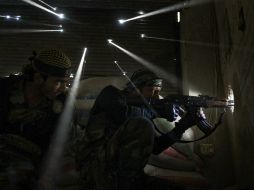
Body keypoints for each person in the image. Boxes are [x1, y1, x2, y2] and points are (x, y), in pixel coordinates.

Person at [75, 69, 208, 190]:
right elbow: (121, 114)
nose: (156, 96)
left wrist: (182, 126)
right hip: (96, 168)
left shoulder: (141, 113)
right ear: (135, 88)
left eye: (158, 91)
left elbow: (155, 147)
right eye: (153, 90)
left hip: (127, 177)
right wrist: (155, 111)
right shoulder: (110, 94)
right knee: (143, 124)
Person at [0, 49, 77, 189]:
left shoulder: (61, 103)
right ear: (38, 78)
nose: (63, 88)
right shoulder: (4, 90)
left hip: (33, 164)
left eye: (66, 82)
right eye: (58, 82)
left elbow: (64, 143)